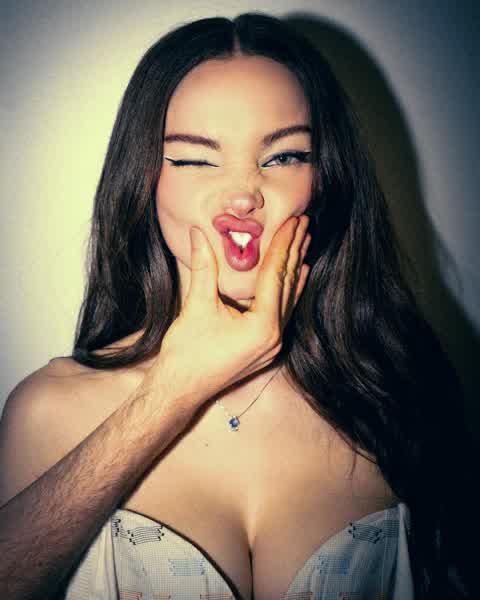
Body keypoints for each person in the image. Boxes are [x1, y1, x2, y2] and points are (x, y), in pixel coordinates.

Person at [0, 12, 475, 600]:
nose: (243, 194)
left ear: (326, 178)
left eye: (283, 157)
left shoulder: (400, 394)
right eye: (196, 159)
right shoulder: (48, 413)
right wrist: (172, 391)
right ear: (142, 180)